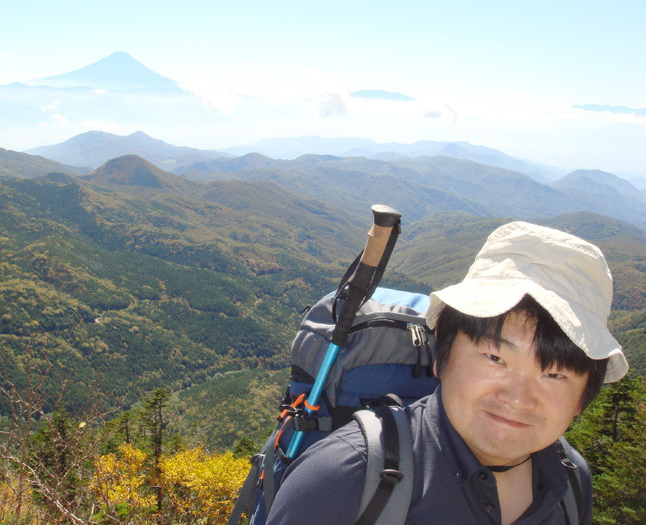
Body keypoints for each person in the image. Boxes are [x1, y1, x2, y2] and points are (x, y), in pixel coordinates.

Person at [266, 221, 629, 525]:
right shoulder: (341, 480)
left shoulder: (570, 482)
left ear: (583, 396)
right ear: (442, 357)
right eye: (494, 358)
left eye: (554, 375)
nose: (518, 399)